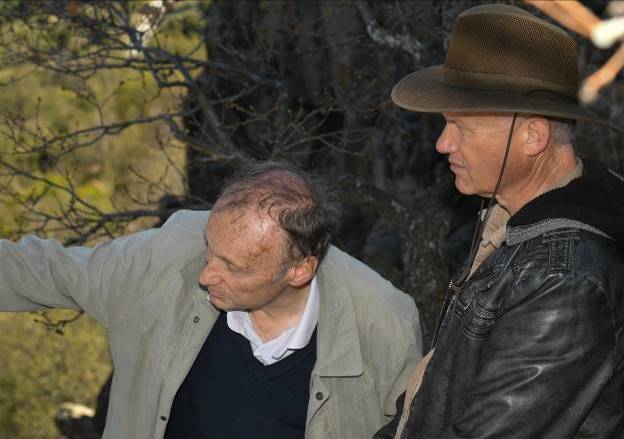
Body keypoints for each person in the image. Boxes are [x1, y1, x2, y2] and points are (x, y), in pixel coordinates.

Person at [0, 162, 423, 439]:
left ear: (299, 270)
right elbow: (46, 270)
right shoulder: (168, 257)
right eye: (210, 249)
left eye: (233, 267)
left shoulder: (383, 324)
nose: (205, 276)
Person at [376, 4, 624, 439]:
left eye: (461, 126)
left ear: (533, 136)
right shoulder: (510, 223)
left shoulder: (564, 278)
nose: (442, 143)